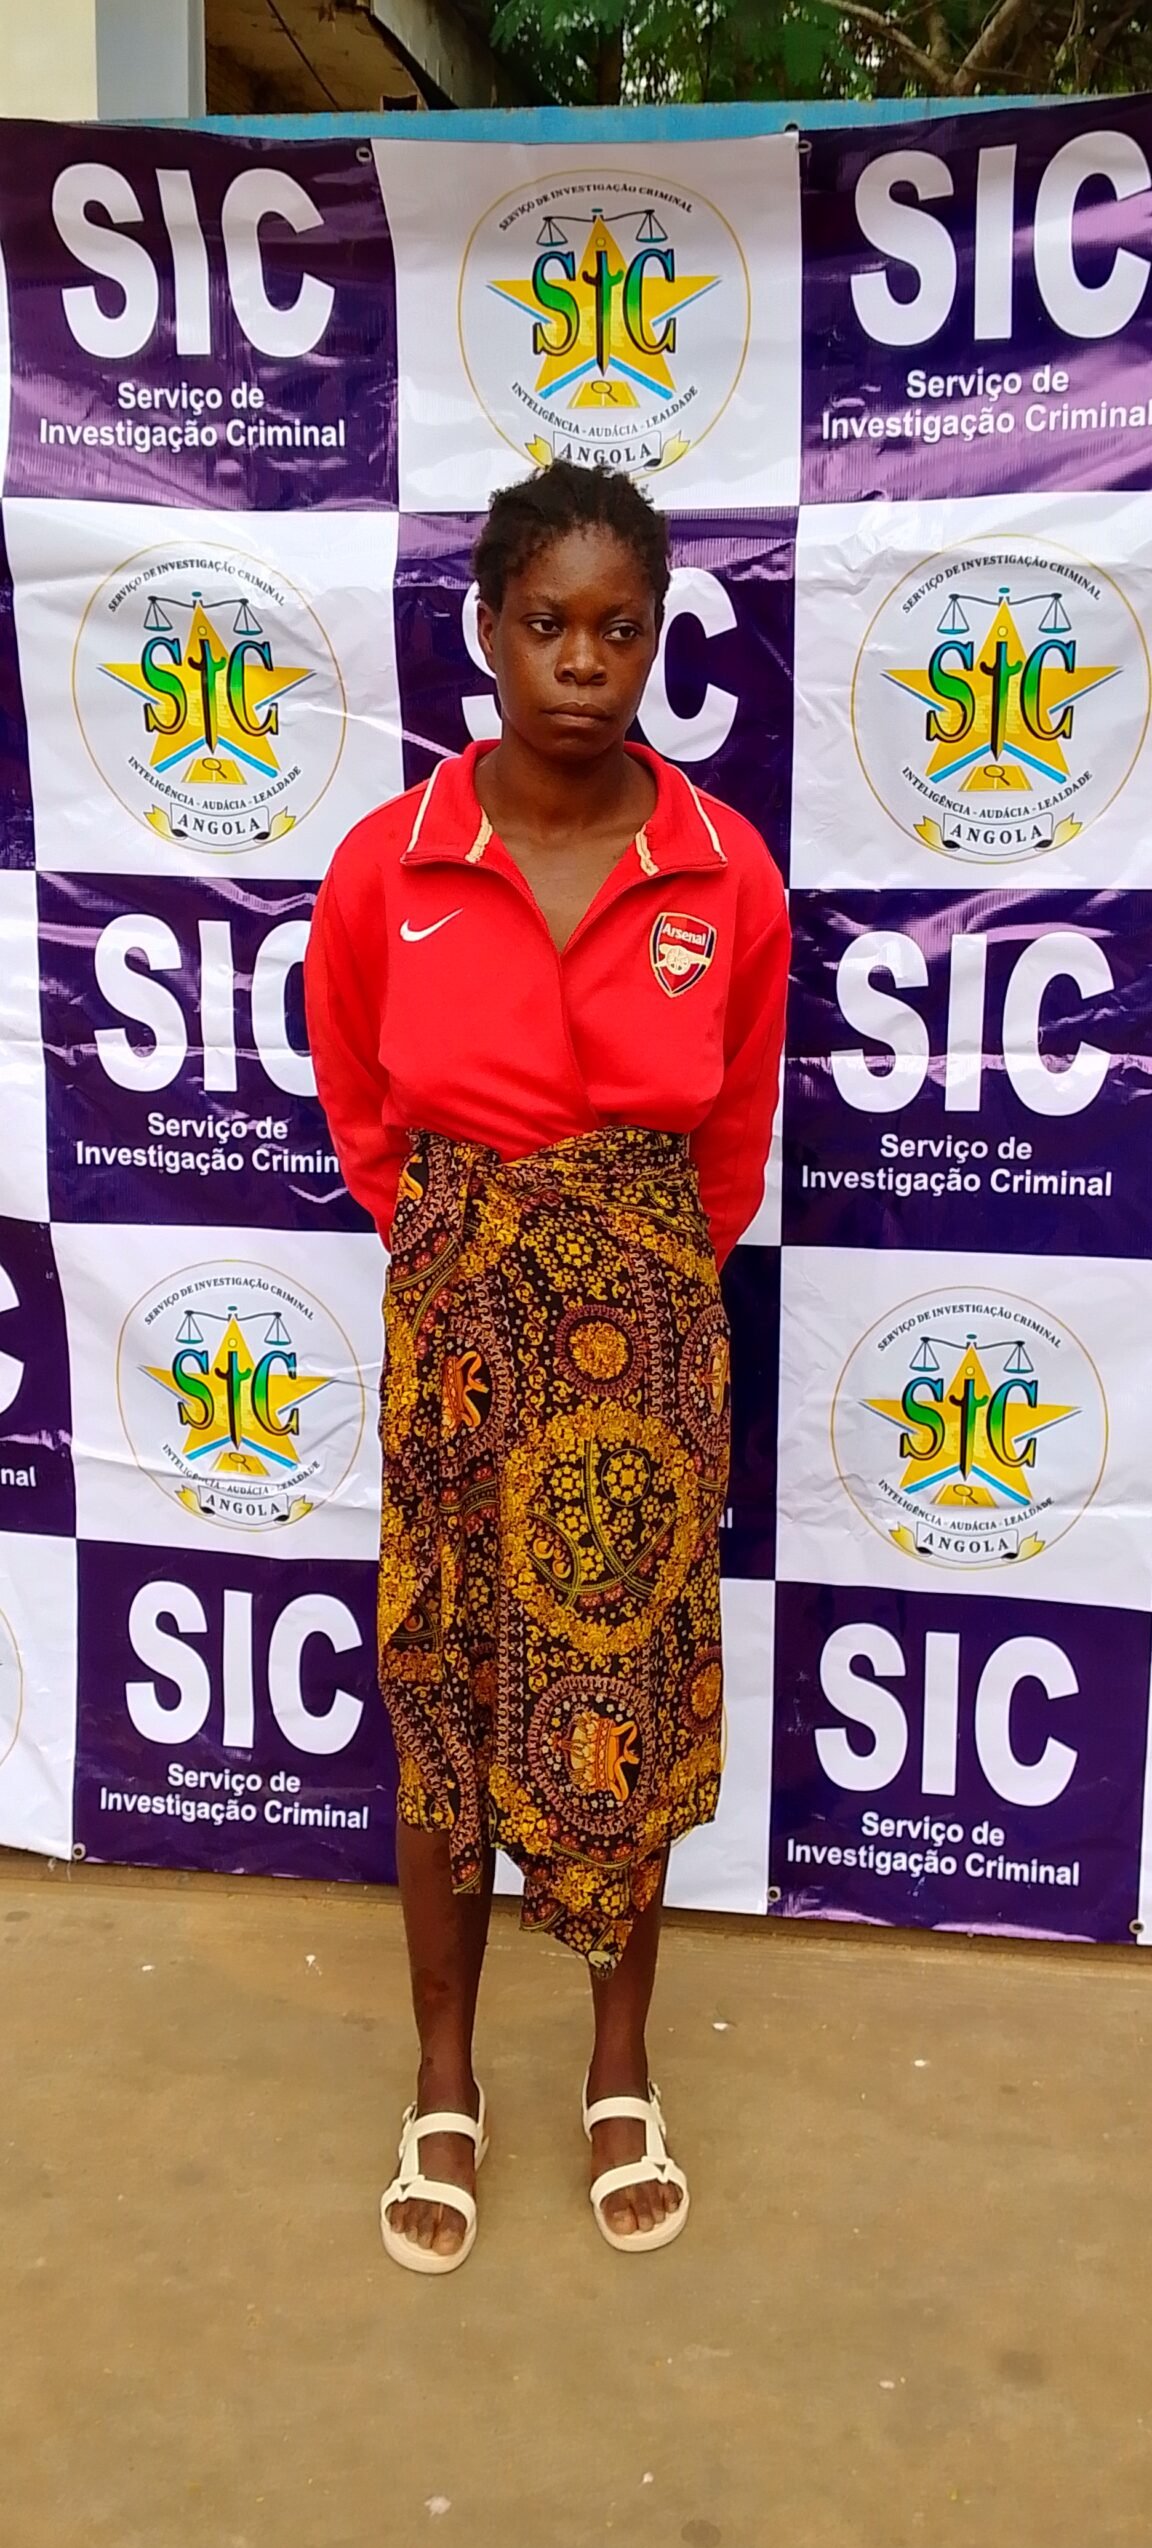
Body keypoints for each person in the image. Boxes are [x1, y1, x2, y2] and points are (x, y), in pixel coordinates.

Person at [305, 459, 789, 2271]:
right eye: (546, 624)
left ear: (653, 640)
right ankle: (444, 2076)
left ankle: (616, 2065)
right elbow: (364, 1096)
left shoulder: (725, 868)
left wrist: (628, 1270)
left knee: (622, 1696)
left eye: (619, 629)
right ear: (489, 630)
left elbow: (728, 1135)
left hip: (644, 1344)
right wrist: (462, 1254)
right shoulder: (393, 861)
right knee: (444, 1687)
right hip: (459, 1333)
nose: (582, 662)